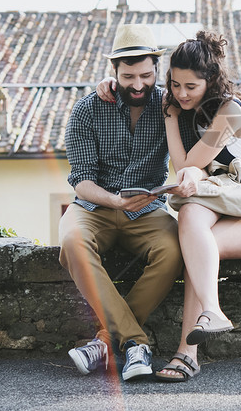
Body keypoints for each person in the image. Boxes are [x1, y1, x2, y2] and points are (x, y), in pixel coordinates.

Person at [97, 30, 241, 382]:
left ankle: (190, 347)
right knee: (191, 218)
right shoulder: (183, 106)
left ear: (211, 80)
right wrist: (112, 85)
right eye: (175, 85)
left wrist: (171, 116)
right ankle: (203, 328)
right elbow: (185, 169)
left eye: (190, 86)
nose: (181, 93)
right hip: (227, 197)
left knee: (196, 244)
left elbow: (187, 165)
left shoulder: (230, 112)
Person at [60, 23, 184, 382]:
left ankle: (103, 343)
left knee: (174, 251)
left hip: (147, 210)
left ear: (157, 70)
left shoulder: (169, 107)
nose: (139, 84)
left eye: (146, 75)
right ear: (113, 72)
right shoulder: (87, 110)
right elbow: (81, 179)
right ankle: (135, 343)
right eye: (129, 76)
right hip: (94, 207)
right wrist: (114, 200)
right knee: (72, 242)